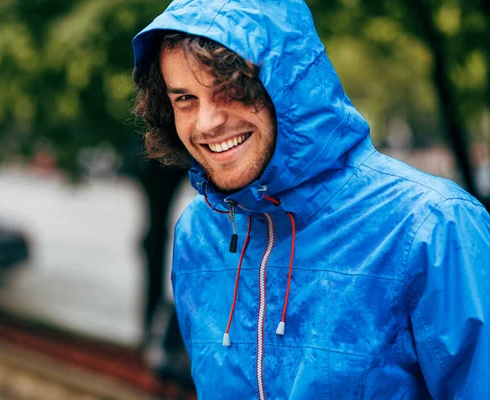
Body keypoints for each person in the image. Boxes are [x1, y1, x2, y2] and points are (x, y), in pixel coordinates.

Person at [131, 0, 490, 398]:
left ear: (289, 85)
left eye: (230, 89)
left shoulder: (434, 225)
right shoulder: (198, 234)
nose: (208, 121)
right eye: (185, 99)